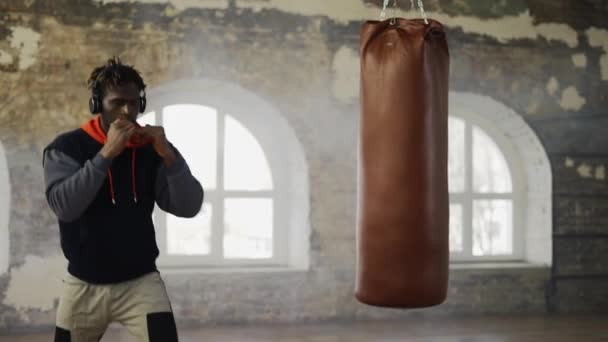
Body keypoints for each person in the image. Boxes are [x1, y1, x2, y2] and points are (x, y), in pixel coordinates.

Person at [43, 57, 203, 342]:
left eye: (133, 103)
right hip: (84, 283)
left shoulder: (153, 148)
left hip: (141, 281)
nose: (127, 111)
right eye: (116, 103)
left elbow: (188, 207)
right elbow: (65, 207)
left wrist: (169, 156)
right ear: (97, 105)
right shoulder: (65, 148)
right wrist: (106, 154)